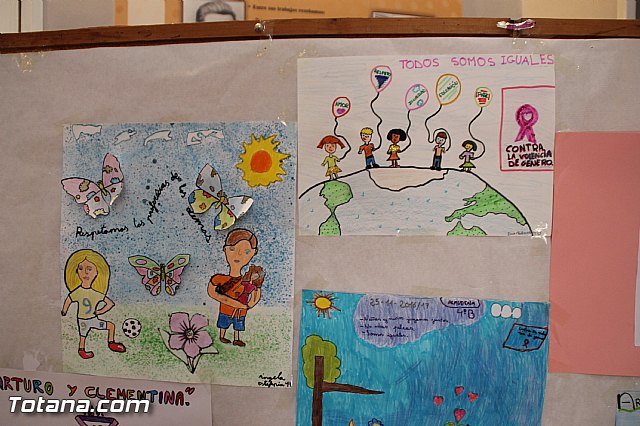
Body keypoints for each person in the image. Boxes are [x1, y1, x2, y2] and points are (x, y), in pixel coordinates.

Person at [61, 249, 126, 359]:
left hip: (93, 319)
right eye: (81, 268)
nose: (85, 272)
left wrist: (99, 311)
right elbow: (68, 299)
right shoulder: (77, 292)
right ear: (76, 272)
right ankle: (82, 350)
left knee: (110, 326)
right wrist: (64, 311)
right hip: (83, 320)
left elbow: (110, 304)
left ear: (97, 273)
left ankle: (111, 343)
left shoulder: (96, 293)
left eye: (89, 269)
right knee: (82, 336)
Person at [207, 228, 263, 347]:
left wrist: (249, 303)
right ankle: (222, 336)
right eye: (232, 249)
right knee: (224, 323)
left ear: (253, 253)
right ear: (225, 249)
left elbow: (254, 297)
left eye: (246, 252)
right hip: (226, 310)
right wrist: (235, 303)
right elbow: (212, 293)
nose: (238, 255)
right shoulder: (219, 279)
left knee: (238, 326)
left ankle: (236, 339)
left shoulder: (246, 281)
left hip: (240, 312)